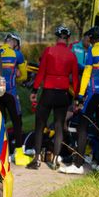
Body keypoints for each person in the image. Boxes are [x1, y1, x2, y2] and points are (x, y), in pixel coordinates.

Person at [60, 26, 99, 175]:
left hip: (93, 93)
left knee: (82, 126)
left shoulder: (92, 51)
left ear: (92, 39)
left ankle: (78, 165)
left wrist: (80, 95)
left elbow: (87, 73)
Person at [27, 25, 79, 170]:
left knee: (40, 125)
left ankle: (36, 159)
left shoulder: (49, 51)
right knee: (59, 127)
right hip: (63, 93)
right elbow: (75, 79)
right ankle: (55, 160)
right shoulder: (71, 55)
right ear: (68, 39)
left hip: (48, 92)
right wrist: (76, 98)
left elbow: (41, 72)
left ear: (57, 38)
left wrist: (34, 90)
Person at [0, 33, 25, 154]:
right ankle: (18, 153)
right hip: (11, 93)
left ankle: (0, 151)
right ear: (15, 43)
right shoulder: (17, 54)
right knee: (17, 121)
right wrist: (16, 76)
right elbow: (24, 76)